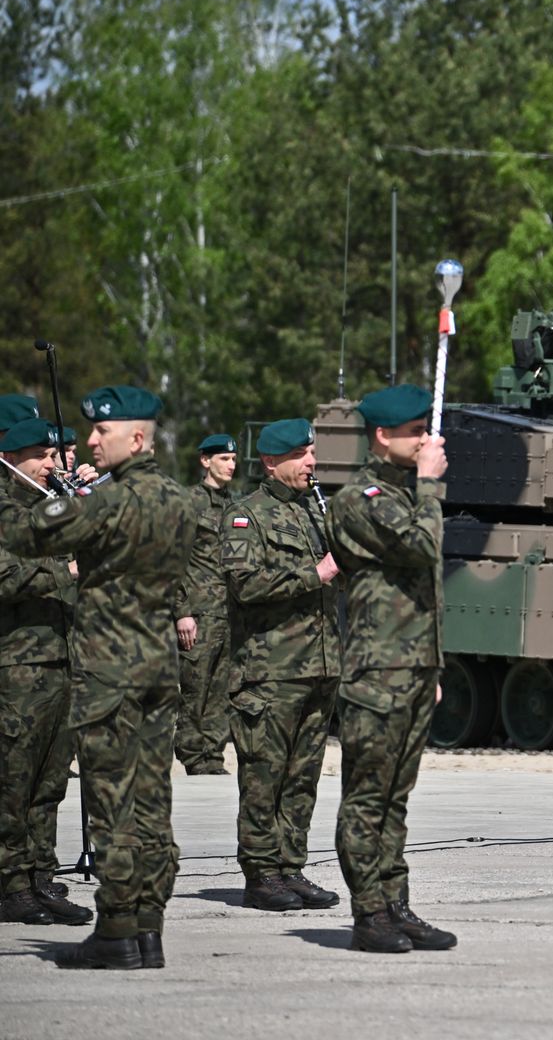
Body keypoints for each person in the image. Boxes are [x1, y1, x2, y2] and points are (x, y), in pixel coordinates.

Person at [0, 385, 193, 969]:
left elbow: (25, 536)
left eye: (100, 432)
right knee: (153, 805)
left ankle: (116, 929)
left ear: (135, 438)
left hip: (110, 672)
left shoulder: (106, 504)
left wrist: (54, 495)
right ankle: (149, 927)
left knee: (111, 804)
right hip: (159, 669)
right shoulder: (180, 501)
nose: (86, 442)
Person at [326, 385, 457, 953]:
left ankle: (395, 903)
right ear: (383, 436)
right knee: (367, 796)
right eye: (415, 432)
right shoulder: (362, 497)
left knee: (396, 799)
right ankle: (368, 913)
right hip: (375, 673)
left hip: (410, 667)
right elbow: (423, 549)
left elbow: (422, 593)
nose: (427, 440)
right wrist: (431, 482)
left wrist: (432, 667)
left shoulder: (401, 495)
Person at [223, 418, 341, 911]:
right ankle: (260, 873)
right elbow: (244, 585)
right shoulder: (246, 516)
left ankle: (290, 867)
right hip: (270, 671)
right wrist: (315, 573)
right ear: (272, 462)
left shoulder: (316, 513)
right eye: (300, 455)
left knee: (302, 777)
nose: (311, 463)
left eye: (311, 454)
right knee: (264, 777)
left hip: (318, 665)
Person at [0, 417, 92, 926]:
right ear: (13, 457)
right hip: (16, 664)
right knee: (13, 779)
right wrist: (67, 569)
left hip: (63, 657)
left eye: (55, 454)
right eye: (42, 454)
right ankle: (10, 883)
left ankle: (39, 876)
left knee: (50, 780)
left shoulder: (49, 509)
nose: (52, 463)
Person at [174, 433, 240, 775]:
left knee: (222, 687)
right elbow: (172, 562)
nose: (231, 465)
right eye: (224, 459)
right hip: (199, 611)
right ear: (205, 461)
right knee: (195, 686)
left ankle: (213, 754)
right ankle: (191, 752)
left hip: (231, 611)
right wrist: (181, 612)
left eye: (233, 459)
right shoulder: (188, 502)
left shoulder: (237, 505)